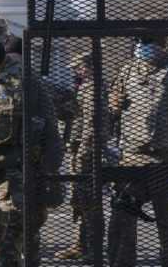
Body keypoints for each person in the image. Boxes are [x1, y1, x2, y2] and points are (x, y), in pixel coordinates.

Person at [0, 18, 62, 267]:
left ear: (5, 41)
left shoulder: (27, 80)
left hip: (13, 168)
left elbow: (50, 125)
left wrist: (48, 170)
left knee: (9, 239)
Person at [106, 35, 168, 267]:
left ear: (161, 45)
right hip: (132, 159)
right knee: (121, 224)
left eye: (148, 42)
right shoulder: (129, 71)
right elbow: (113, 107)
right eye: (139, 42)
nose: (141, 47)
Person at [54, 53, 106, 262]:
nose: (76, 71)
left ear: (89, 67)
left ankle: (92, 248)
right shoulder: (85, 87)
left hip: (87, 151)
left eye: (79, 67)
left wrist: (85, 151)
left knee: (89, 201)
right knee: (80, 200)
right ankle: (80, 245)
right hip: (78, 149)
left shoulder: (93, 88)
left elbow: (93, 124)